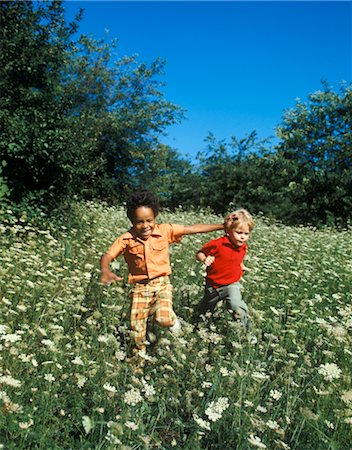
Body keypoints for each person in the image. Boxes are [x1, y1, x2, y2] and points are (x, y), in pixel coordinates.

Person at [100, 190, 224, 358]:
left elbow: (193, 229)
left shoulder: (165, 231)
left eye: (149, 220)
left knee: (163, 319)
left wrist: (223, 226)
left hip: (162, 284)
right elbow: (108, 255)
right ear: (131, 220)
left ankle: (173, 320)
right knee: (136, 331)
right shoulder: (126, 239)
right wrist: (106, 270)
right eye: (139, 222)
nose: (145, 226)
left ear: (155, 218)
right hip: (139, 289)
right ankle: (138, 362)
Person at [195, 208, 255, 331]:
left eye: (246, 234)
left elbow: (237, 258)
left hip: (231, 284)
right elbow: (200, 252)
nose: (243, 237)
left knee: (236, 305)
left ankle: (247, 331)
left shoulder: (243, 247)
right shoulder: (218, 244)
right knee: (205, 310)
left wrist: (241, 266)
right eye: (239, 232)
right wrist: (204, 259)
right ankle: (198, 326)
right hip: (213, 285)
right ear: (229, 230)